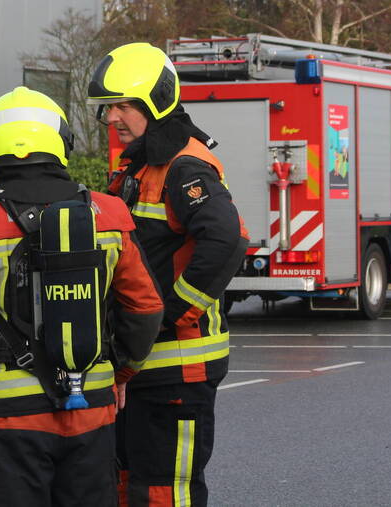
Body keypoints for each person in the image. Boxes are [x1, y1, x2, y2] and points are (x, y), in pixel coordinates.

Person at [0, 86, 164, 506]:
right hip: (91, 401)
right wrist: (121, 372)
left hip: (9, 412)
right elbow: (146, 306)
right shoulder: (109, 213)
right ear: (61, 143)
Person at [87, 43, 249, 506]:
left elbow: (227, 240)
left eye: (122, 105)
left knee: (165, 492)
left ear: (155, 101)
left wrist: (168, 312)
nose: (112, 117)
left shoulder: (184, 167)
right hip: (142, 363)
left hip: (177, 365)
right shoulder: (142, 163)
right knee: (127, 485)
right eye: (109, 107)